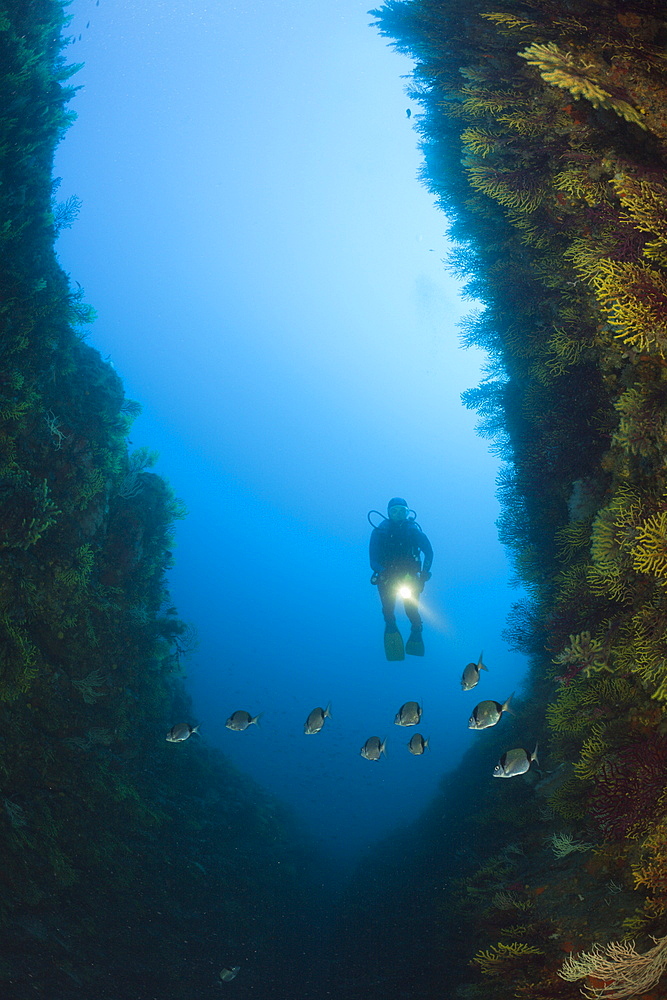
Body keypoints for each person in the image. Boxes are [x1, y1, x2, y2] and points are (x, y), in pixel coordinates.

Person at [368, 498, 433, 660]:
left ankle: (416, 629)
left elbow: (429, 553)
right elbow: (373, 560)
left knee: (411, 610)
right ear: (388, 513)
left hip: (409, 577)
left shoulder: (414, 531)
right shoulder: (379, 532)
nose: (398, 514)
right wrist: (383, 573)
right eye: (394, 511)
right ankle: (390, 625)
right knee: (388, 610)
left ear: (408, 512)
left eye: (402, 510)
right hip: (386, 579)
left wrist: (424, 573)